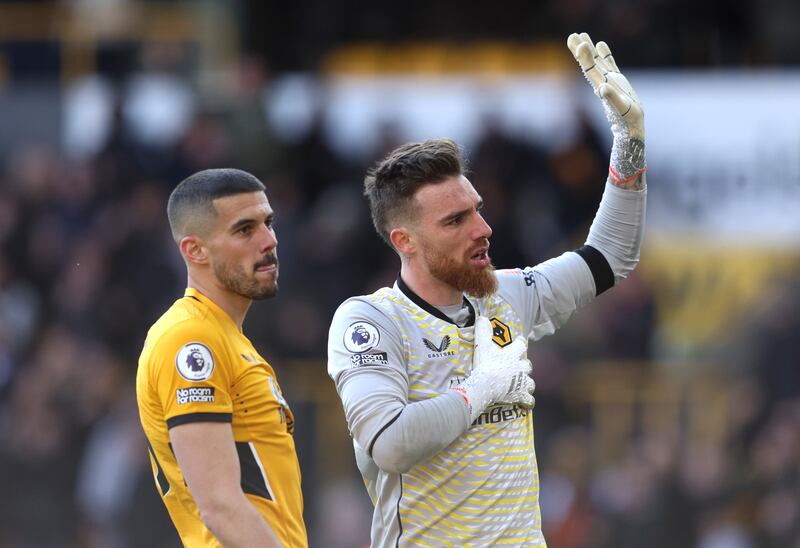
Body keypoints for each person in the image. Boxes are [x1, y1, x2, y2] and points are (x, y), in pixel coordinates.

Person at [326, 33, 647, 547]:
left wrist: (628, 140)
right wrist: (485, 387)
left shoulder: (507, 296)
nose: (483, 228)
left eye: (477, 208)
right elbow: (388, 443)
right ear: (405, 241)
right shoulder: (369, 322)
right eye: (456, 220)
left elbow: (611, 257)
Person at [136, 168, 307, 547]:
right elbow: (219, 506)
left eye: (269, 223)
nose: (269, 241)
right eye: (245, 229)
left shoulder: (227, 338)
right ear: (194, 250)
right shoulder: (191, 340)